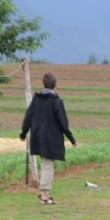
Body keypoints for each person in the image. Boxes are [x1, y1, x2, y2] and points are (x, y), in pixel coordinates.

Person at [20, 72, 76, 205]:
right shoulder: (56, 101)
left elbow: (28, 117)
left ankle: (45, 193)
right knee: (47, 165)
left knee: (46, 164)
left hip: (37, 136)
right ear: (55, 85)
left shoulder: (36, 99)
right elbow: (63, 123)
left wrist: (23, 133)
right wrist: (71, 138)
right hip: (51, 138)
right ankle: (44, 194)